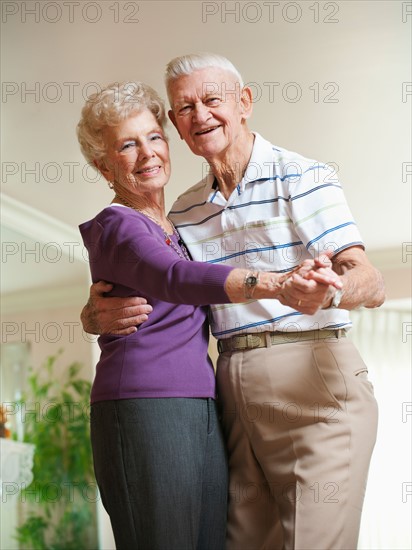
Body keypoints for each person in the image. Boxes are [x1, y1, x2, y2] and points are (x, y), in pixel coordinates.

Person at [81, 54, 385, 550]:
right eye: (184, 108)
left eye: (212, 99)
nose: (200, 115)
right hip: (229, 391)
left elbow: (369, 281)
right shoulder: (183, 209)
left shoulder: (301, 176)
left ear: (244, 103)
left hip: (314, 379)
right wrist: (92, 313)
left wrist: (331, 289)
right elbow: (167, 278)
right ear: (178, 125)